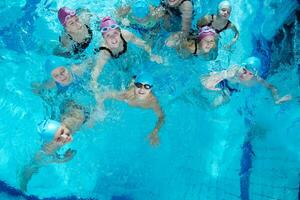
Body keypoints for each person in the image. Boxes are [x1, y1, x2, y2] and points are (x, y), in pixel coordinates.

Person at [92, 17, 162, 102]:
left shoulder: (126, 35)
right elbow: (96, 70)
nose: (113, 38)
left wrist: (151, 54)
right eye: (108, 35)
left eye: (115, 33)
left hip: (127, 55)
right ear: (104, 38)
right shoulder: (104, 52)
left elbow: (142, 43)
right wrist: (94, 86)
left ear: (119, 32)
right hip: (113, 60)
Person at [101, 73, 164, 146]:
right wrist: (101, 108)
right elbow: (105, 94)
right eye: (139, 85)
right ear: (135, 85)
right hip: (130, 86)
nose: (142, 89)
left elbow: (161, 117)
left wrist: (155, 132)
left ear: (151, 89)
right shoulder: (127, 95)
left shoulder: (152, 102)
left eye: (146, 86)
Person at [200, 57, 292, 106]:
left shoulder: (255, 79)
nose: (244, 74)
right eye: (244, 70)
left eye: (249, 73)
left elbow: (271, 87)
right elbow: (218, 76)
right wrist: (209, 84)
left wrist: (277, 99)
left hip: (231, 90)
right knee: (204, 90)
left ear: (254, 75)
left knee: (213, 105)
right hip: (224, 82)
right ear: (242, 66)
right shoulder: (235, 71)